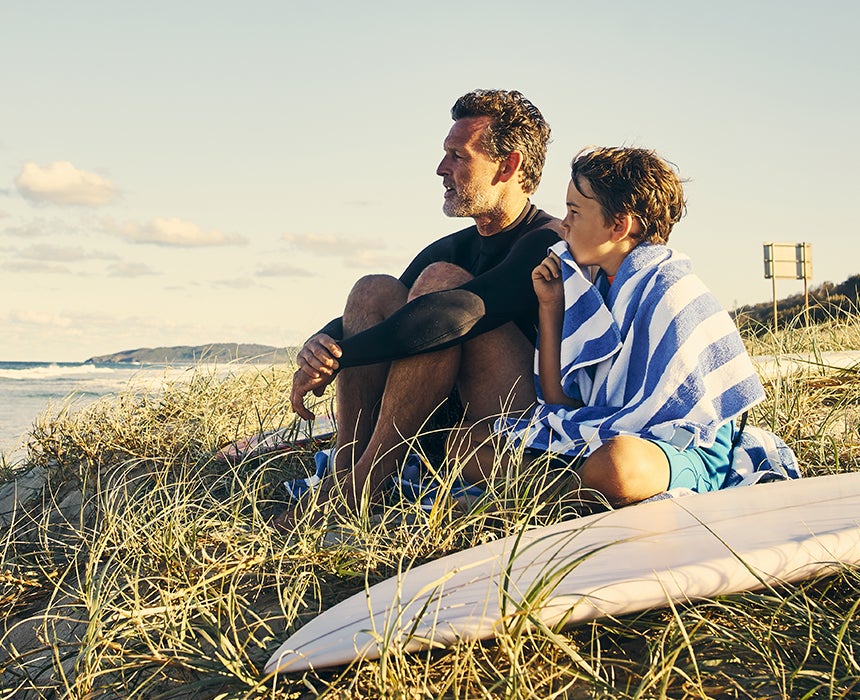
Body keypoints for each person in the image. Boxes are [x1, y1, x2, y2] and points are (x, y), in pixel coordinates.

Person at [276, 89, 563, 528]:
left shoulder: (547, 240)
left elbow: (453, 314)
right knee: (373, 290)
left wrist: (343, 355)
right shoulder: (452, 247)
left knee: (441, 288)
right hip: (443, 417)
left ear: (507, 166)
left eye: (457, 156)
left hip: (511, 424)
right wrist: (321, 345)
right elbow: (381, 318)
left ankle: (362, 486)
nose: (441, 169)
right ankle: (344, 469)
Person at [453, 146, 796, 509]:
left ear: (619, 225)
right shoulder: (590, 289)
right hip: (595, 437)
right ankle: (568, 493)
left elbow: (683, 427)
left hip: (677, 453)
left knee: (617, 466)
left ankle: (545, 495)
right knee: (465, 443)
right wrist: (550, 306)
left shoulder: (675, 291)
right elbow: (559, 402)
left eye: (574, 212)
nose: (564, 224)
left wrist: (612, 442)